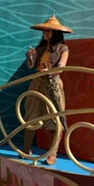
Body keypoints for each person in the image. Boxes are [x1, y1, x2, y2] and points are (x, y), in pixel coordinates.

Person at [22, 15, 72, 165]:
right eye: (44, 31)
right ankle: (25, 150)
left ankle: (52, 154)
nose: (45, 34)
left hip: (52, 85)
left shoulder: (63, 49)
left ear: (55, 33)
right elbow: (32, 66)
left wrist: (52, 71)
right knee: (31, 118)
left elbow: (62, 66)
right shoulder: (40, 48)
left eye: (48, 31)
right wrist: (30, 57)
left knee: (55, 120)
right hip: (37, 83)